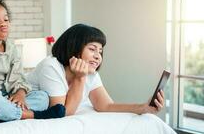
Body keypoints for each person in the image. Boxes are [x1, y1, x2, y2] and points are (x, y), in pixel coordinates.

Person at [27, 24, 165, 115]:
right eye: (92, 49)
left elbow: (105, 106)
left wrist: (143, 108)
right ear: (73, 47)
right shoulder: (51, 66)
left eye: (100, 51)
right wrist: (80, 78)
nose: (98, 56)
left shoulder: (90, 73)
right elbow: (62, 113)